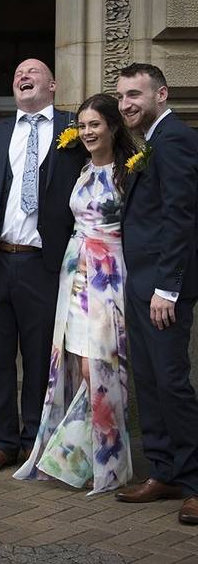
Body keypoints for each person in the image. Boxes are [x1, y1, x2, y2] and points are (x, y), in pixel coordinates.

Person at [0, 58, 86, 474]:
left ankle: (36, 440)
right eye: (17, 74)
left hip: (44, 264)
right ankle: (2, 443)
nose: (23, 77)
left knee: (37, 358)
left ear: (53, 84)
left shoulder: (75, 129)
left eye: (33, 72)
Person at [14, 93, 135, 494]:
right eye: (82, 125)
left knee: (97, 368)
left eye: (94, 125)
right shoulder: (81, 170)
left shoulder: (128, 174)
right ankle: (78, 458)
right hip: (76, 274)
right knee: (75, 363)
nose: (87, 132)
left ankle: (90, 458)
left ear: (113, 127)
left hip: (109, 274)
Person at [113, 63, 198, 525]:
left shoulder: (177, 139)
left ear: (161, 94)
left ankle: (195, 480)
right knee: (148, 382)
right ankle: (164, 471)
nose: (126, 104)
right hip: (140, 284)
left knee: (171, 383)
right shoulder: (152, 142)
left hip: (164, 290)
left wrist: (168, 287)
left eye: (135, 95)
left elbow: (180, 218)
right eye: (122, 96)